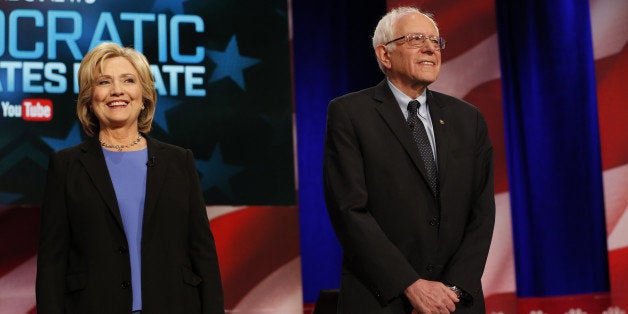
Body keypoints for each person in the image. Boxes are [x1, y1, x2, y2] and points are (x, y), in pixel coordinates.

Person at [323, 7, 495, 313]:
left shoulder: (469, 120)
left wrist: (452, 290)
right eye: (416, 39)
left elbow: (481, 213)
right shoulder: (350, 114)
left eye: (435, 40)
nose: (431, 48)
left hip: (454, 303)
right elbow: (349, 211)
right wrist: (410, 285)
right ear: (385, 55)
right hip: (381, 299)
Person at [36, 42, 225, 314]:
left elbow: (202, 252)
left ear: (145, 94)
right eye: (103, 81)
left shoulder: (179, 161)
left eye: (128, 80)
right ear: (89, 97)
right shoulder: (66, 166)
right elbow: (52, 262)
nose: (117, 91)